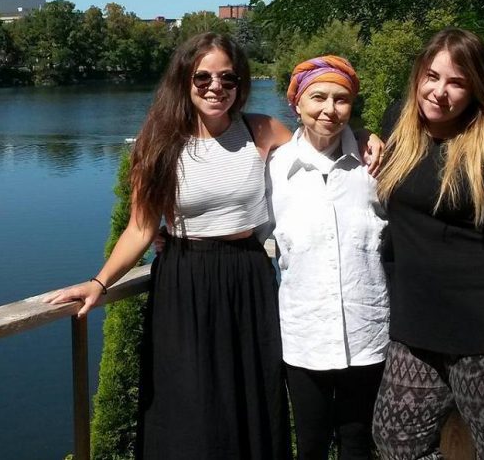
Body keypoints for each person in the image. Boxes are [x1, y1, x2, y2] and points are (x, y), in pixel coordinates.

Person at [45, 32, 293, 459]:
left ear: (240, 83)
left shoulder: (263, 130)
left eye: (228, 78)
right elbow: (141, 227)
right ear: (184, 81)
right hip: (185, 279)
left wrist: (363, 138)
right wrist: (99, 283)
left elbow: (320, 159)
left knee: (254, 392)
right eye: (203, 78)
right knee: (188, 404)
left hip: (248, 276)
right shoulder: (158, 143)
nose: (216, 88)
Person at [372, 27, 484, 458]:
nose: (440, 92)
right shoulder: (399, 123)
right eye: (432, 76)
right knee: (396, 444)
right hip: (416, 325)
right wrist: (367, 139)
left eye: (457, 82)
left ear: (476, 88)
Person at [264, 56, 388, 460]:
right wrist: (173, 235)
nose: (329, 110)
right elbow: (242, 226)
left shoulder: (376, 166)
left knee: (357, 442)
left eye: (341, 99)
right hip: (305, 335)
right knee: (311, 445)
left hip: (366, 332)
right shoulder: (274, 168)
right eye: (318, 97)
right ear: (296, 103)